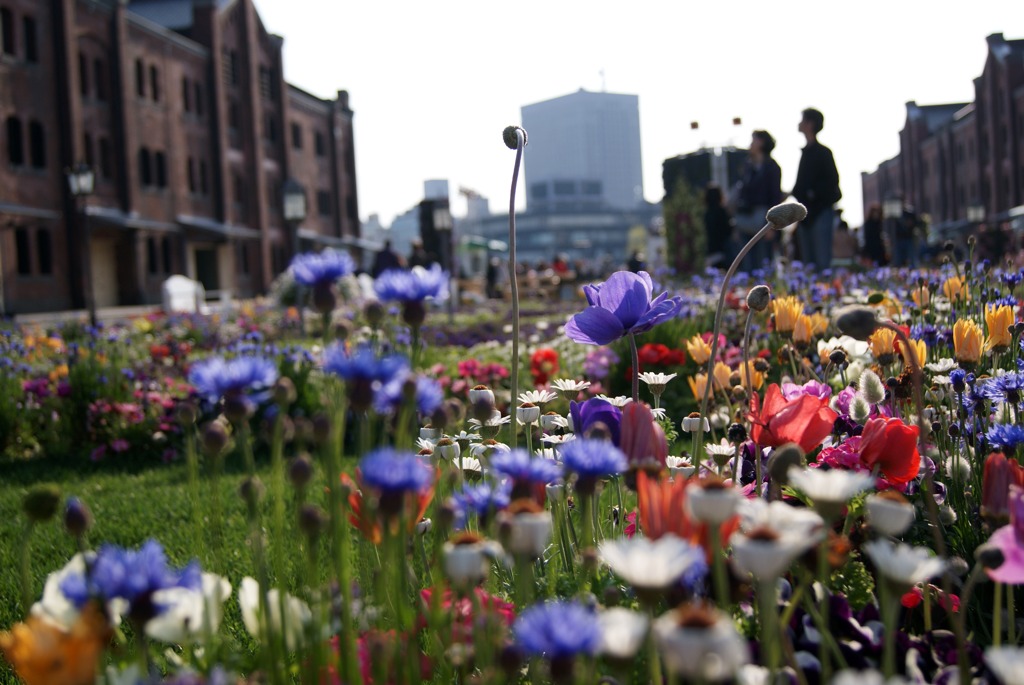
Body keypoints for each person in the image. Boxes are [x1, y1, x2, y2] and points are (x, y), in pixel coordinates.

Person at [791, 108, 841, 271]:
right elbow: (799, 186)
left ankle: (823, 292)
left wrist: (812, 194)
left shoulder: (822, 153)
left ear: (810, 124)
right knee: (809, 263)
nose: (799, 124)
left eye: (802, 120)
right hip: (805, 216)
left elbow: (833, 182)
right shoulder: (806, 152)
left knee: (821, 261)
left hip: (820, 213)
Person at [734, 130, 783, 271]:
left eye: (753, 140)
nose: (750, 144)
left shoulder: (772, 167)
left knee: (764, 261)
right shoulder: (747, 167)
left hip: (763, 218)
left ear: (761, 142)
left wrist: (773, 226)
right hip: (745, 218)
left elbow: (775, 196)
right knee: (747, 260)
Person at [704, 185, 733, 268]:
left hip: (712, 249)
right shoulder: (722, 212)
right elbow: (728, 230)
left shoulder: (707, 214)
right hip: (724, 250)